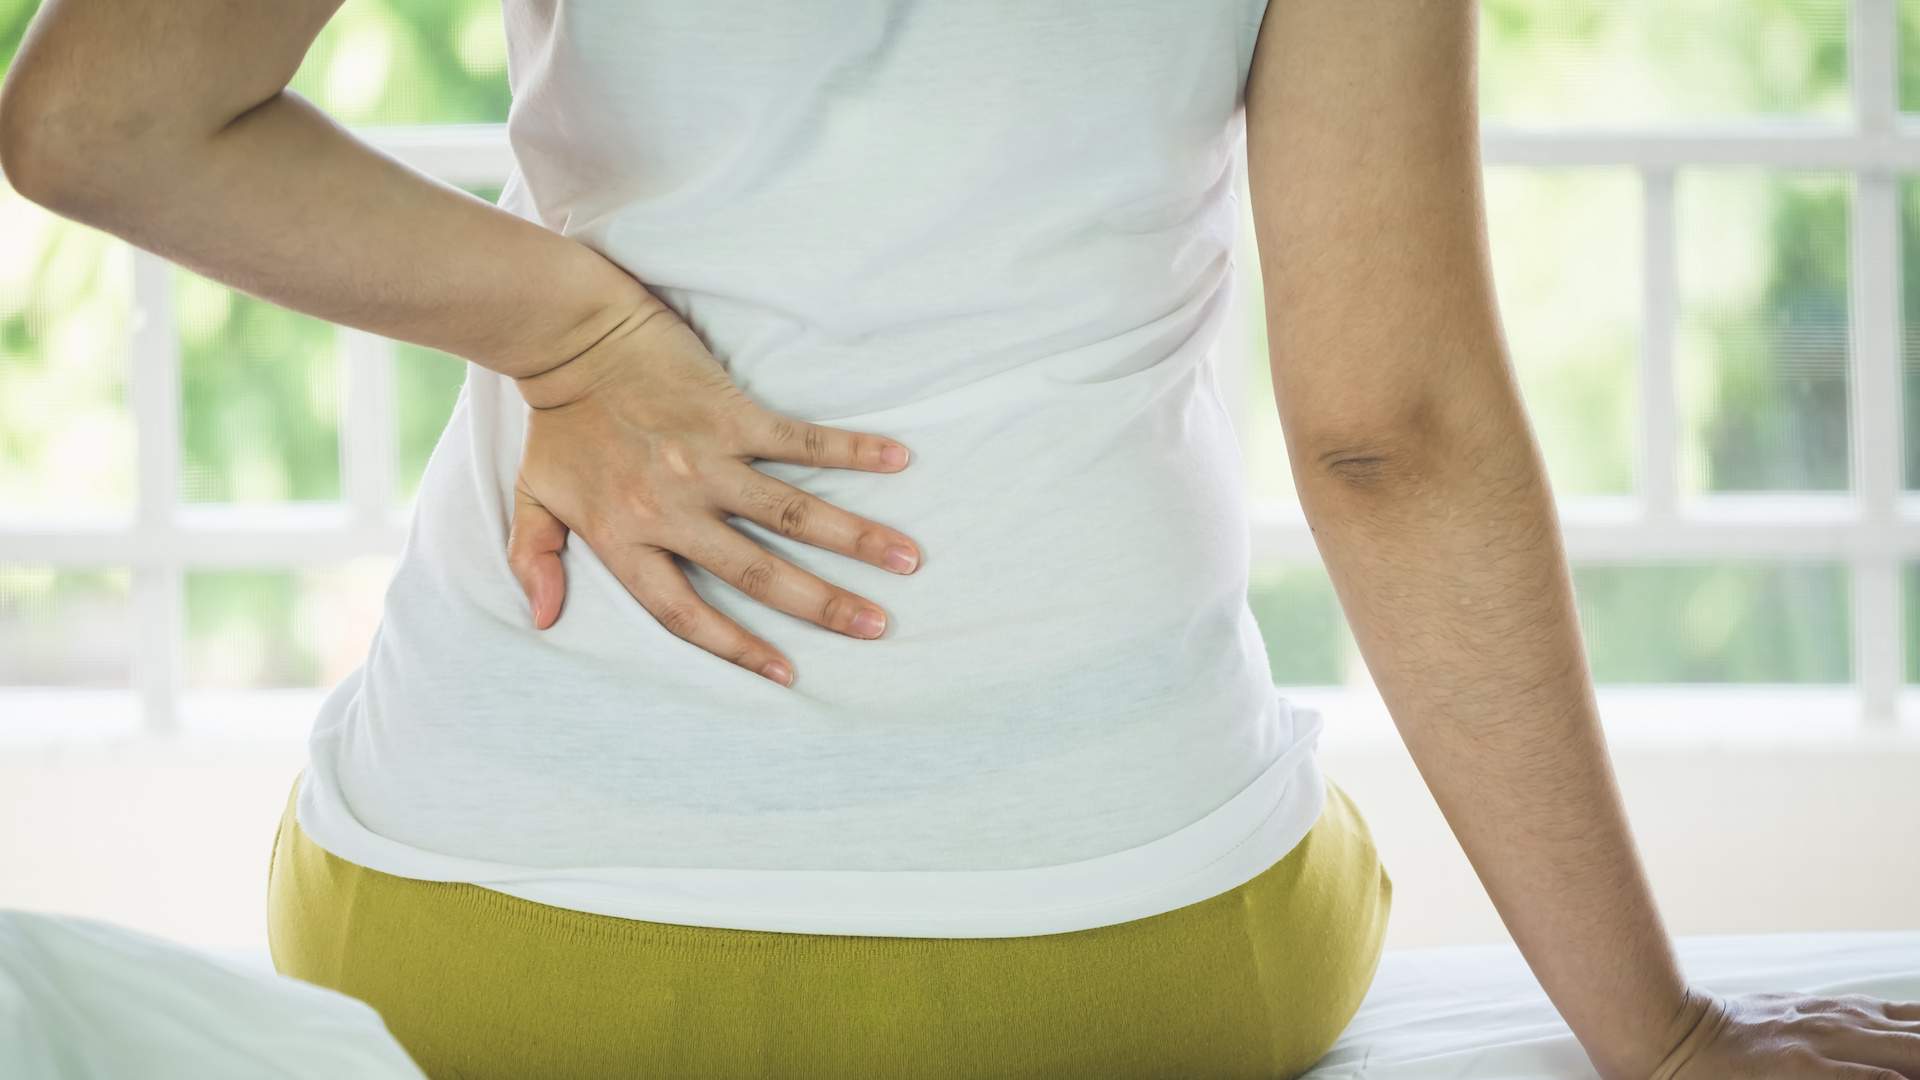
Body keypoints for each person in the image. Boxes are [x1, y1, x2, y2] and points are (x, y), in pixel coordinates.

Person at [3, 1, 1915, 1078]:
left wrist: (569, 327)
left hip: (475, 947)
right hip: (1121, 962)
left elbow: (96, 121)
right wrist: (1662, 1044)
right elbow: (1385, 433)